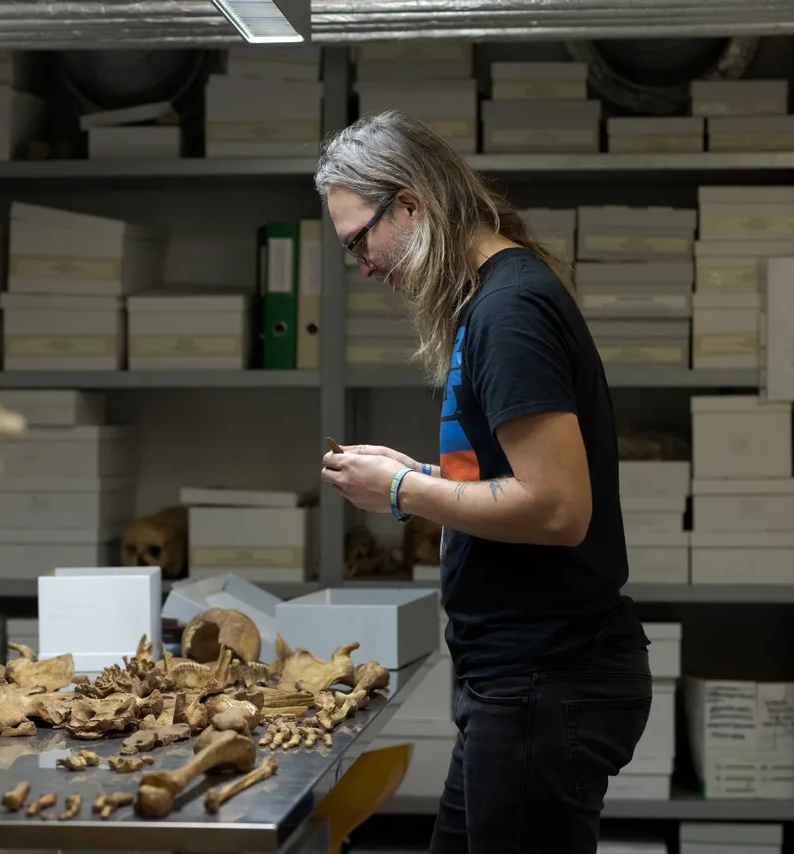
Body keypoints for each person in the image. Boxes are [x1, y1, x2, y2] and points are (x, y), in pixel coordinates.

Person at [316, 111, 653, 853]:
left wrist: (400, 493)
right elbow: (510, 481)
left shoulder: (510, 308)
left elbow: (558, 509)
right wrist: (418, 473)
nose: (364, 266)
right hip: (516, 680)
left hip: (546, 677)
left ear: (410, 205)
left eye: (359, 241)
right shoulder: (488, 302)